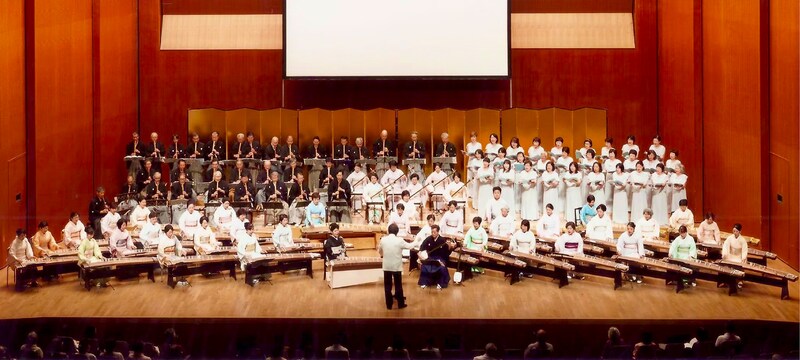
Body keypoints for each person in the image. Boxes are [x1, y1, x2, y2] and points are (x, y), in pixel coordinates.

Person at [378, 223, 413, 309]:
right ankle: (400, 304)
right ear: (397, 232)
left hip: (386, 266)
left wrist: (384, 255)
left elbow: (380, 251)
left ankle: (388, 305)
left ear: (388, 231)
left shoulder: (383, 240)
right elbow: (410, 246)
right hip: (396, 266)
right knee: (398, 285)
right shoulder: (399, 240)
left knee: (387, 286)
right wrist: (417, 241)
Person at [417, 225, 454, 289]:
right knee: (424, 266)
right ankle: (424, 282)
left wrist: (449, 247)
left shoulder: (442, 240)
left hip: (440, 258)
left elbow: (447, 252)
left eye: (434, 232)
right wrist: (420, 254)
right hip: (430, 258)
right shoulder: (428, 239)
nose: (433, 234)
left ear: (438, 232)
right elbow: (422, 247)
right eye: (432, 232)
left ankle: (441, 283)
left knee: (442, 267)